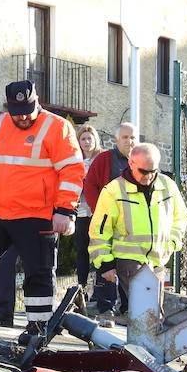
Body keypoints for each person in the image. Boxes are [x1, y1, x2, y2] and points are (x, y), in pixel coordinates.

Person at [0, 80, 84, 344]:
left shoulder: (57, 127)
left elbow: (72, 171)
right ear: (7, 107)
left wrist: (65, 210)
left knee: (39, 271)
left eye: (28, 110)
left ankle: (38, 330)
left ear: (36, 102)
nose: (22, 117)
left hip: (37, 212)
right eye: (16, 111)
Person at [88, 143, 187, 315]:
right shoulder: (114, 190)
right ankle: (146, 338)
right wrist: (105, 263)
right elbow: (100, 229)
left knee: (150, 312)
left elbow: (180, 218)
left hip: (157, 260)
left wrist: (172, 242)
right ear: (131, 163)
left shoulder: (168, 186)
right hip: (128, 260)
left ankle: (140, 339)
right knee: (148, 311)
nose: (149, 177)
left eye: (153, 171)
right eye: (143, 171)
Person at [83, 122, 139, 322]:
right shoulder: (105, 159)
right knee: (106, 263)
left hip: (131, 227)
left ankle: (126, 306)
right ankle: (106, 306)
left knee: (127, 266)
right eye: (125, 137)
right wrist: (98, 212)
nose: (130, 141)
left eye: (133, 137)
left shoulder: (140, 160)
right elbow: (90, 185)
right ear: (117, 140)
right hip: (107, 222)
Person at [74, 124, 102, 298]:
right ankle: (81, 290)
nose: (86, 142)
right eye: (82, 139)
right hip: (80, 211)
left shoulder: (101, 159)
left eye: (89, 138)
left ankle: (99, 291)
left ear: (95, 140)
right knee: (81, 251)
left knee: (100, 251)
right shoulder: (75, 160)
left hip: (98, 211)